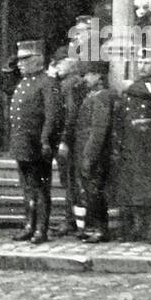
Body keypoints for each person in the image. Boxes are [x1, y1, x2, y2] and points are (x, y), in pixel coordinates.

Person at [113, 48, 151, 243]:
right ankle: (137, 227)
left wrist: (129, 87)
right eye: (139, 62)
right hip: (131, 142)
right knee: (133, 187)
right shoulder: (135, 85)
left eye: (146, 62)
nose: (142, 66)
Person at [8, 40, 60, 244]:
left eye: (24, 59)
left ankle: (41, 229)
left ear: (38, 61)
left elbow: (51, 115)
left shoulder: (47, 82)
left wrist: (46, 140)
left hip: (37, 144)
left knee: (40, 188)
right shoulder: (24, 82)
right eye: (19, 60)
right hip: (23, 144)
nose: (19, 64)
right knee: (27, 187)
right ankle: (29, 225)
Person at [72, 60, 115, 244]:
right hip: (85, 149)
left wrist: (89, 155)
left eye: (89, 74)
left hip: (94, 153)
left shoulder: (102, 96)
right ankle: (92, 227)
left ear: (98, 76)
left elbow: (99, 129)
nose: (85, 78)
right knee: (89, 191)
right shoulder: (93, 95)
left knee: (95, 191)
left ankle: (100, 228)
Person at [56, 56, 87, 236]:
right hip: (77, 139)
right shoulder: (76, 84)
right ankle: (76, 219)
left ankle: (71, 220)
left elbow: (70, 114)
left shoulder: (68, 85)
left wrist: (64, 140)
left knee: (69, 181)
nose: (57, 66)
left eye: (61, 63)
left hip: (71, 140)